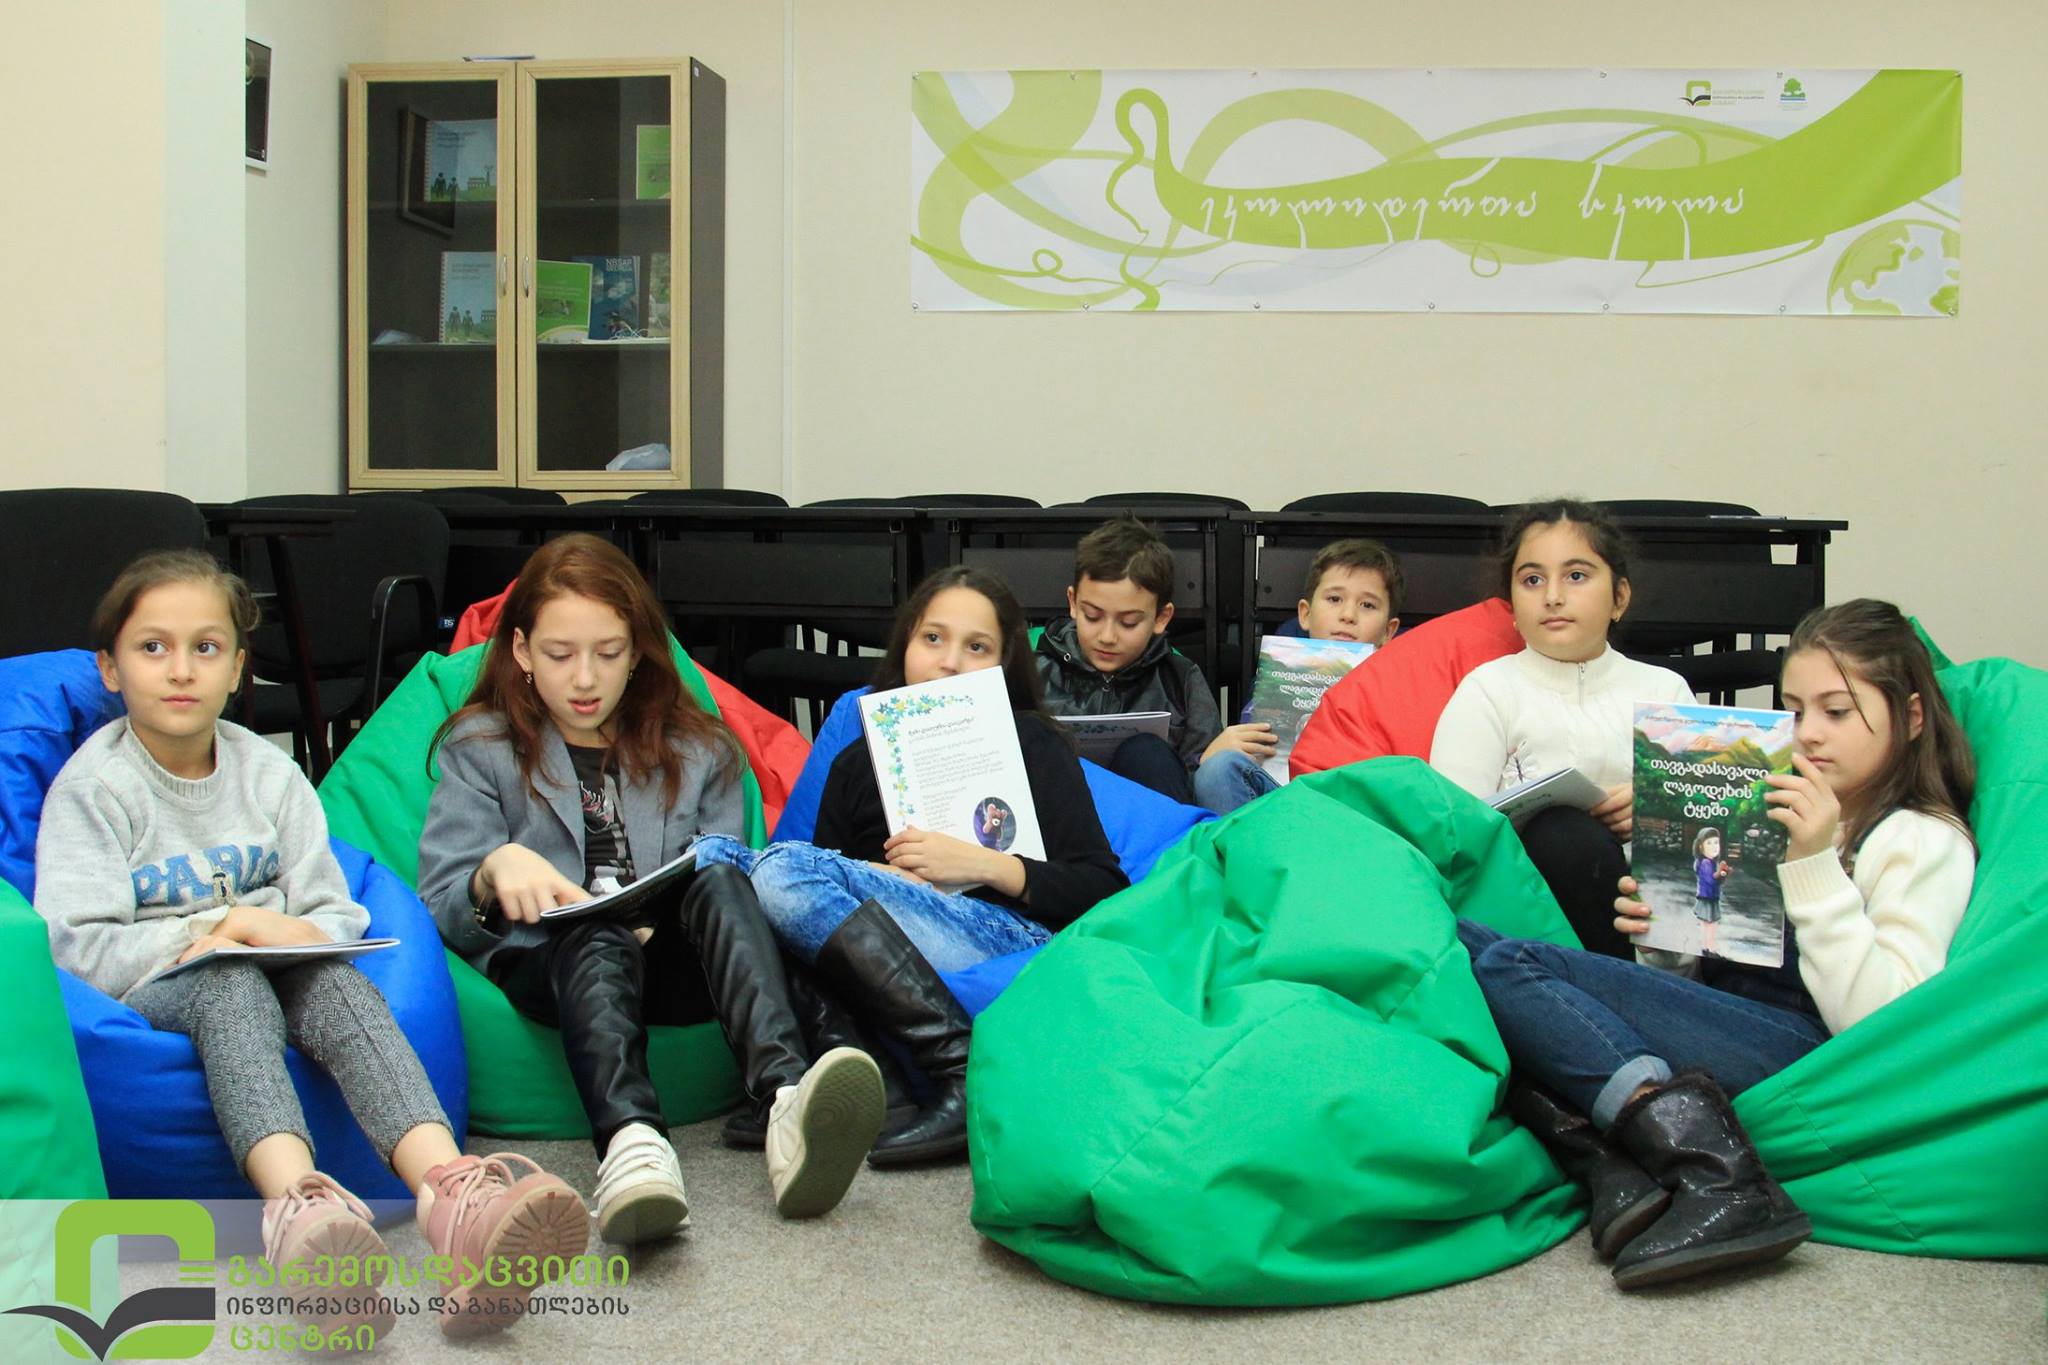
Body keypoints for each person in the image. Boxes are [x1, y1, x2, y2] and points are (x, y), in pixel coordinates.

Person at [35, 550, 585, 1341]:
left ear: (237, 670)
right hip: (163, 980)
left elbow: (336, 907)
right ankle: (300, 1208)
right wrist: (217, 931)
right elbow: (76, 945)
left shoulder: (269, 772)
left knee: (340, 986)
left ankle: (452, 1196)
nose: (180, 669)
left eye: (206, 647)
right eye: (153, 647)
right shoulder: (95, 788)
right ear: (111, 669)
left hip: (277, 959)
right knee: (230, 988)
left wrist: (273, 932)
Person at [1458, 599, 1976, 1288]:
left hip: (1813, 1052)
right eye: (1795, 711)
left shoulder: (1918, 837)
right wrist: (1663, 934)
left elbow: (1888, 1025)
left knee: (1515, 965)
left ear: (1910, 718)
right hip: (1737, 1022)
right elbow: (1710, 980)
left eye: (1837, 711)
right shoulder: (1777, 808)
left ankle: (1712, 1171)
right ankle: (1612, 1163)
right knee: (1463, 943)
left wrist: (1815, 865)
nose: (1809, 735)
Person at [417, 534, 885, 1239]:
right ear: (520, 651)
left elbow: (726, 893)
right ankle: (632, 1144)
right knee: (595, 934)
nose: (585, 679)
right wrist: (492, 871)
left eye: (608, 653)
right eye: (559, 654)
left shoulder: (701, 749)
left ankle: (785, 1100)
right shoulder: (480, 747)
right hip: (554, 962)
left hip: (672, 962)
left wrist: (664, 914)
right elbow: (440, 906)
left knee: (724, 877)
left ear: (637, 651)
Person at [698, 566, 1127, 1165]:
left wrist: (985, 864)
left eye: (976, 647)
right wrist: (875, 881)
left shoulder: (1033, 743)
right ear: (904, 647)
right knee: (715, 863)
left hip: (999, 934)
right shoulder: (855, 762)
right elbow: (803, 915)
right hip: (889, 930)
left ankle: (954, 1066)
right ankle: (803, 1083)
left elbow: (1105, 888)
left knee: (781, 868)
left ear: (1004, 666)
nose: (949, 662)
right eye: (933, 638)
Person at [1429, 498, 1696, 956]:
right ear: (1512, 607)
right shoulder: (1488, 690)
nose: (1552, 596)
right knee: (1563, 834)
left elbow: (1713, 829)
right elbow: (1452, 838)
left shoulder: (1665, 691)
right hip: (1526, 927)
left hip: (1656, 932)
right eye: (1532, 580)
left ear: (1620, 598)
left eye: (1576, 576)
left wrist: (1655, 812)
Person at [1035, 514, 1252, 805]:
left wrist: (1209, 758)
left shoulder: (1180, 679)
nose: (1107, 636)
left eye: (1129, 623)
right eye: (1092, 616)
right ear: (1073, 603)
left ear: (1161, 617)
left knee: (1146, 752)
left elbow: (1199, 792)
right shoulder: (1035, 673)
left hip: (1151, 817)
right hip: (1061, 816)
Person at [1198, 537, 1404, 814]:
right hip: (1278, 802)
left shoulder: (1398, 690)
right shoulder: (1277, 678)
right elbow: (1252, 755)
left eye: (1367, 605)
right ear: (1305, 614)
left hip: (1352, 811)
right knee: (1217, 769)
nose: (1348, 615)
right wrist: (1219, 751)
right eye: (1334, 599)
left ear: (1389, 631)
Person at [1693, 827, 1731, 957]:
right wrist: (1720, 873)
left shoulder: (1711, 862)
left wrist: (1723, 874)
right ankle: (1710, 949)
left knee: (1707, 923)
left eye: (1716, 842)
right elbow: (1711, 880)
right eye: (1709, 843)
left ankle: (1706, 948)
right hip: (1708, 898)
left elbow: (1718, 880)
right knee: (1711, 924)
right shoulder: (1705, 863)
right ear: (1700, 847)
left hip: (1708, 897)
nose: (1714, 846)